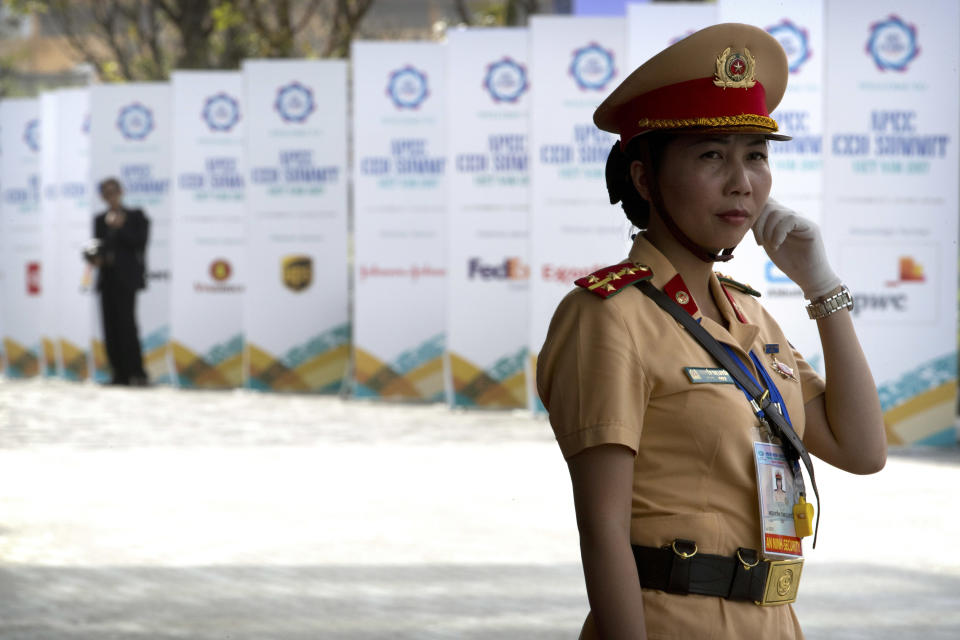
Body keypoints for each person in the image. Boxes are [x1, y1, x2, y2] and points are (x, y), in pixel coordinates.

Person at [536, 24, 886, 639]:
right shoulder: (609, 315)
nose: (741, 181)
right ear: (644, 180)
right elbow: (602, 529)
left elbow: (862, 451)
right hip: (672, 620)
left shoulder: (750, 317)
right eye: (710, 155)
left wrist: (821, 287)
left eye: (755, 154)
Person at [89, 177, 149, 386]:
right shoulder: (99, 219)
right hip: (107, 279)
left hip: (127, 279)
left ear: (121, 192)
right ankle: (119, 374)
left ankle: (137, 373)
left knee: (127, 326)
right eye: (106, 192)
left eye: (113, 191)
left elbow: (140, 243)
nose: (111, 196)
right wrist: (94, 257)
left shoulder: (136, 216)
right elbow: (96, 247)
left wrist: (121, 228)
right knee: (110, 327)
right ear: (102, 196)